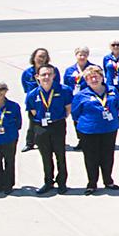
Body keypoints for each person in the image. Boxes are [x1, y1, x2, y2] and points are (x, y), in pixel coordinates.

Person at [70, 65, 119, 194]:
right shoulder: (81, 95)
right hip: (89, 131)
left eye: (96, 76)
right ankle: (92, 183)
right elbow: (75, 113)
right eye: (90, 77)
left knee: (108, 156)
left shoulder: (112, 90)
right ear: (86, 80)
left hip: (109, 129)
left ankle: (108, 180)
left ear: (102, 77)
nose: (94, 79)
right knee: (91, 157)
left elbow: (116, 106)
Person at [25, 65, 70, 194]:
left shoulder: (63, 90)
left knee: (60, 155)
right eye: (43, 74)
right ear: (37, 77)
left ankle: (62, 182)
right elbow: (33, 112)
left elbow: (68, 108)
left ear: (54, 76)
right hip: (41, 127)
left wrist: (58, 119)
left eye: (49, 74)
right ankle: (48, 182)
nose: (46, 77)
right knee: (45, 155)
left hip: (58, 125)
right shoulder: (33, 94)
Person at [19, 48, 56, 152]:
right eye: (39, 56)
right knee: (33, 123)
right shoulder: (27, 73)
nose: (41, 59)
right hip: (35, 102)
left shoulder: (52, 70)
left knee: (51, 122)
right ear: (34, 57)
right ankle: (30, 142)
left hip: (49, 100)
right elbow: (26, 88)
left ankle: (48, 141)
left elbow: (56, 84)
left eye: (44, 56)